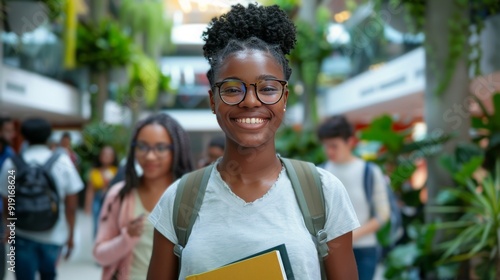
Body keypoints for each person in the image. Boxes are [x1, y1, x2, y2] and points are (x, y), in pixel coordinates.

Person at [147, 4, 360, 280]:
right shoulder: (178, 202)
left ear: (284, 98)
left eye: (268, 88)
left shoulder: (323, 193)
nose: (250, 101)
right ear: (213, 100)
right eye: (233, 89)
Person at [93, 113, 194, 280]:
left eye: (160, 148)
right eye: (142, 146)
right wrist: (127, 237)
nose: (149, 156)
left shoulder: (193, 195)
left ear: (176, 150)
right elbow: (99, 255)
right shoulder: (119, 195)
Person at [0, 117, 84, 280]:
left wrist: (9, 227)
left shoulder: (12, 163)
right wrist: (71, 235)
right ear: (48, 137)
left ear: (23, 137)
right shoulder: (62, 161)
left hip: (22, 233)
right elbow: (71, 206)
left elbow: (7, 200)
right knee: (48, 276)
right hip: (54, 233)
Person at [317, 115, 390, 280]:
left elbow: (383, 215)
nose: (329, 151)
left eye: (334, 146)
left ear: (350, 142)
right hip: (330, 252)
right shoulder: (319, 173)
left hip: (364, 250)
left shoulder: (370, 172)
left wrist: (348, 237)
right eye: (326, 146)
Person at [84, 145, 118, 237]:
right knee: (96, 224)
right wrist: (87, 206)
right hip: (98, 200)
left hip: (112, 201)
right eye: (104, 154)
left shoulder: (117, 172)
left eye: (109, 154)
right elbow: (90, 190)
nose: (106, 156)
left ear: (113, 157)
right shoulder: (94, 172)